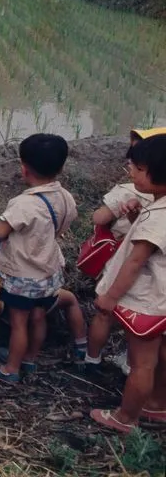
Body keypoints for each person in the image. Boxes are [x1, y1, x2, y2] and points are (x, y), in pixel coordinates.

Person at [0, 134, 86, 383]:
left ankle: (11, 369)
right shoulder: (66, 197)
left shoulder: (23, 204)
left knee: (19, 323)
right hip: (49, 274)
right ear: (60, 167)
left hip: (22, 277)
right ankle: (30, 359)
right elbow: (64, 224)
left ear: (23, 168)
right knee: (38, 315)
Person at [91, 134, 166, 433]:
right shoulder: (157, 206)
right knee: (162, 356)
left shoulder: (158, 219)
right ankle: (157, 405)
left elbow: (134, 262)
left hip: (149, 300)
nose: (130, 173)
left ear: (154, 172)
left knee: (142, 363)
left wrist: (110, 297)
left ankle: (126, 417)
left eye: (136, 168)